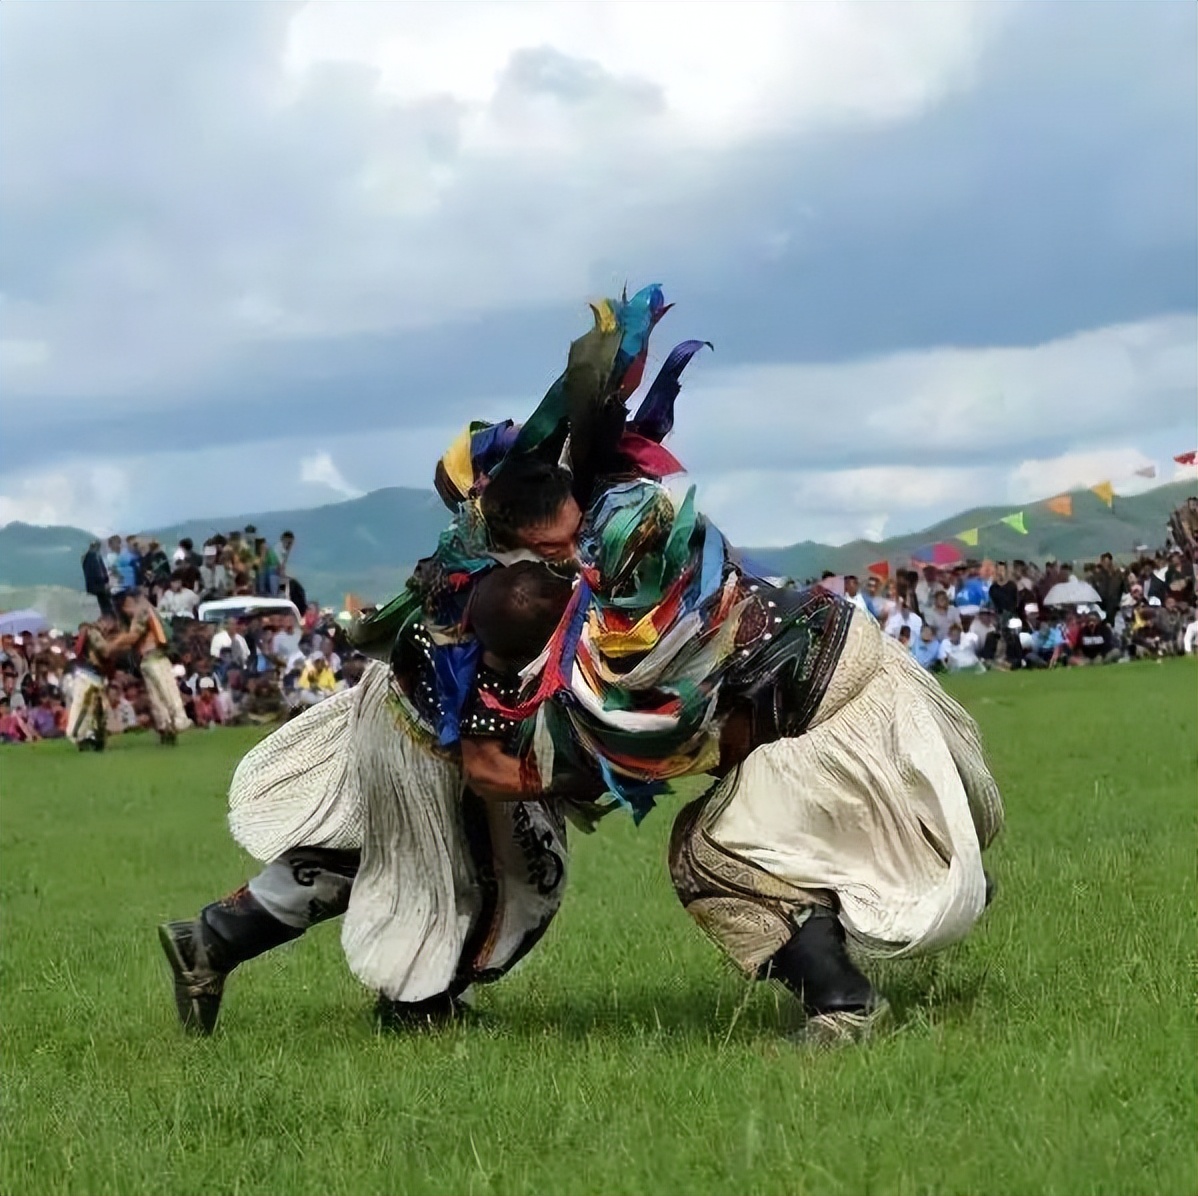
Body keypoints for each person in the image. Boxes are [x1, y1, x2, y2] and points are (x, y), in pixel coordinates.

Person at [465, 539, 1003, 1042]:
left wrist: (485, 713)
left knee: (702, 853)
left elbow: (541, 774)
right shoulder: (637, 573)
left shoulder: (609, 685)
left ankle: (844, 1002)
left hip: (840, 734)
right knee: (755, 804)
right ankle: (917, 862)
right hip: (889, 676)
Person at [108, 592, 191, 744]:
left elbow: (133, 636)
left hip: (155, 658)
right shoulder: (139, 615)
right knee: (158, 696)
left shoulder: (142, 612)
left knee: (166, 692)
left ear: (127, 603)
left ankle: (178, 720)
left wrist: (112, 645)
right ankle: (166, 726)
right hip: (149, 660)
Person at [66, 617, 117, 751]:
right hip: (88, 676)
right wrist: (118, 643)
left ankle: (93, 737)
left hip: (95, 676)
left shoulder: (93, 633)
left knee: (98, 710)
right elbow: (105, 652)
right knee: (84, 708)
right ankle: (82, 737)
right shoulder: (93, 632)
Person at [82, 540, 115, 618]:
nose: (98, 547)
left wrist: (106, 581)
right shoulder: (90, 557)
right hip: (96, 588)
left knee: (106, 607)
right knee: (104, 608)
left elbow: (103, 570)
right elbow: (93, 574)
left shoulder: (97, 556)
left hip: (100, 586)